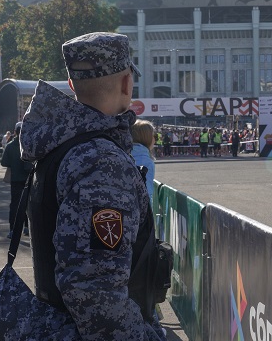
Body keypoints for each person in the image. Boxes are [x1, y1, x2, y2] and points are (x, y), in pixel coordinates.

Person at [19, 32, 166, 340]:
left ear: (72, 85)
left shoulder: (62, 145)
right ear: (127, 83)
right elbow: (96, 295)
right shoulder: (99, 160)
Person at [0, 122, 32, 238]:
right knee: (27, 204)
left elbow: (4, 162)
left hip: (15, 179)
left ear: (15, 131)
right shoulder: (29, 144)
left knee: (14, 205)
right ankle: (27, 227)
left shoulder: (10, 145)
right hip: (28, 179)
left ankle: (12, 229)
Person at [131, 119, 156, 203]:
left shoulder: (124, 154)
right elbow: (146, 194)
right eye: (153, 136)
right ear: (147, 138)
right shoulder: (145, 162)